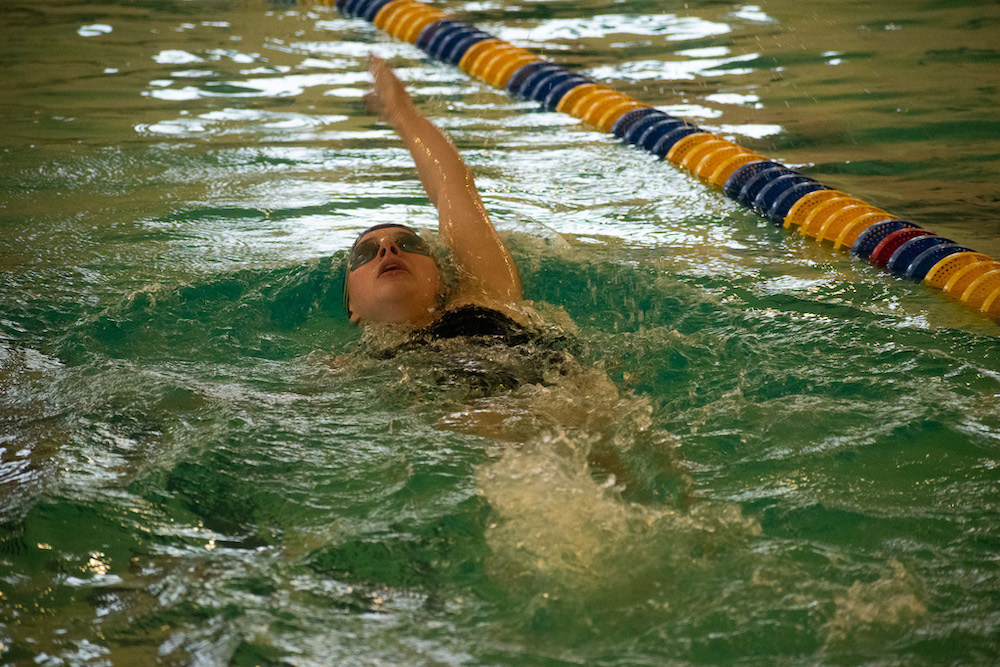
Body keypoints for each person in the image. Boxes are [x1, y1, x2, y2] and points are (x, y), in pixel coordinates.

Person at [344, 55, 528, 337]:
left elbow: (452, 184)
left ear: (442, 283)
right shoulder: (339, 372)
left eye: (409, 245)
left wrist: (401, 112)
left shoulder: (486, 295)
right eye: (366, 253)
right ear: (352, 307)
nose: (388, 249)